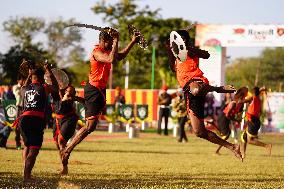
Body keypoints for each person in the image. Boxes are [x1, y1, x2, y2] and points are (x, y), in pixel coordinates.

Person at [61, 27, 140, 165]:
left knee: (92, 124)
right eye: (109, 42)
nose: (111, 45)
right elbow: (111, 59)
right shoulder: (97, 52)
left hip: (100, 90)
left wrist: (133, 42)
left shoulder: (108, 50)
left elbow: (119, 56)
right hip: (93, 89)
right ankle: (67, 150)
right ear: (103, 40)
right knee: (90, 126)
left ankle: (74, 99)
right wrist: (116, 40)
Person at [166, 30, 243, 160]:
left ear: (186, 41)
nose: (180, 42)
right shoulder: (176, 57)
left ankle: (218, 89)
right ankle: (232, 147)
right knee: (199, 132)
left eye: (183, 40)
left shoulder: (191, 51)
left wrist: (188, 48)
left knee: (195, 89)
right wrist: (169, 50)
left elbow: (206, 55)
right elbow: (173, 68)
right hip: (188, 92)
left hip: (197, 83)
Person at [17, 64, 58, 183]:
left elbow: (25, 84)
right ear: (42, 77)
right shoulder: (44, 87)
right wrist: (48, 70)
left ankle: (26, 172)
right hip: (35, 120)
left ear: (31, 77)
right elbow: (56, 87)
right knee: (34, 149)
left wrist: (29, 74)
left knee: (27, 146)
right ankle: (27, 176)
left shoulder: (24, 89)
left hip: (23, 120)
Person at [52, 85, 84, 175]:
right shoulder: (56, 94)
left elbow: (81, 100)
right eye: (66, 89)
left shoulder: (70, 97)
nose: (67, 90)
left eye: (70, 91)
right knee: (58, 145)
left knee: (61, 141)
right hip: (57, 120)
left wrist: (74, 97)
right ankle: (64, 167)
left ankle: (65, 164)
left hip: (69, 119)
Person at [215, 87, 248, 155]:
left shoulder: (239, 104)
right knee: (226, 135)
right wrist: (235, 120)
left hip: (226, 118)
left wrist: (237, 119)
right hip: (223, 117)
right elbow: (227, 115)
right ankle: (218, 149)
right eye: (243, 97)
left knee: (227, 134)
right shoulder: (233, 103)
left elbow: (232, 114)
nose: (244, 99)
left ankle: (218, 150)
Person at [241, 87, 272, 158]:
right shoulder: (259, 100)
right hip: (254, 120)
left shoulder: (252, 98)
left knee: (250, 140)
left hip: (252, 120)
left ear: (253, 93)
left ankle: (267, 146)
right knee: (244, 136)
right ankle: (243, 154)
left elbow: (242, 101)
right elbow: (260, 112)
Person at [13, 75, 25, 149]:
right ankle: (18, 144)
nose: (23, 81)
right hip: (19, 108)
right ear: (18, 81)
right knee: (17, 127)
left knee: (24, 126)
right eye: (22, 80)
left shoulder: (24, 87)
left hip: (25, 108)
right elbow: (18, 94)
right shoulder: (16, 87)